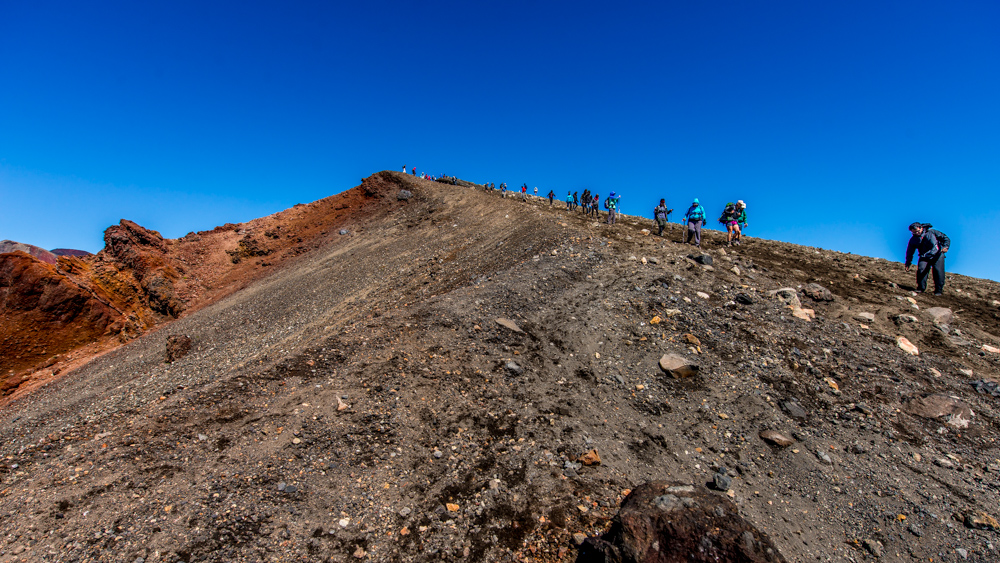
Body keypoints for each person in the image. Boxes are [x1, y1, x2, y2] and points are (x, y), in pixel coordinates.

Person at [905, 222, 950, 295]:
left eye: (917, 231)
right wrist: (908, 262)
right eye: (914, 232)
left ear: (921, 228)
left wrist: (946, 247)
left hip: (937, 254)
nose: (916, 233)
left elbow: (945, 238)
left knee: (938, 272)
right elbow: (910, 251)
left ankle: (938, 291)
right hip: (924, 256)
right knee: (921, 270)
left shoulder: (932, 232)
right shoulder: (913, 239)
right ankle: (920, 288)